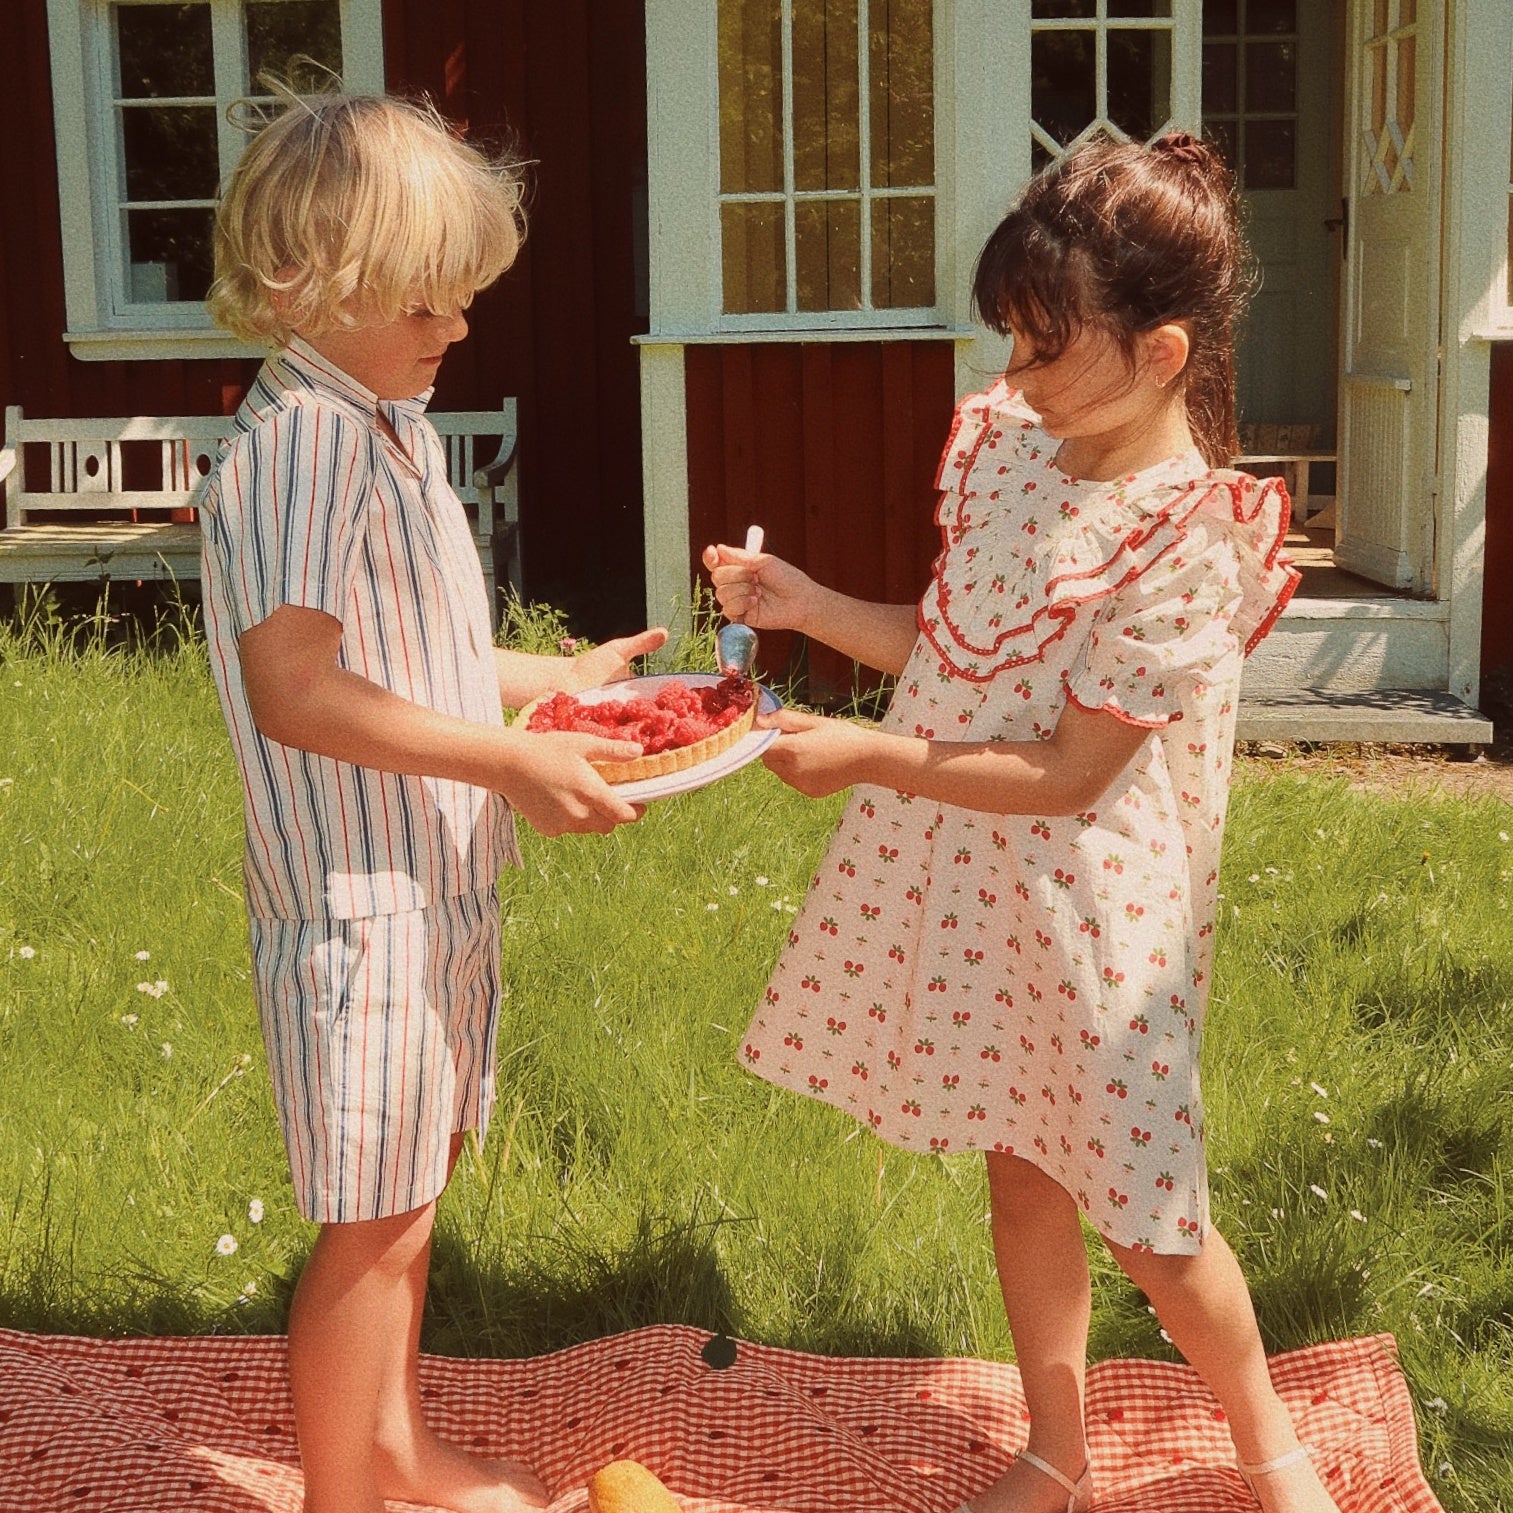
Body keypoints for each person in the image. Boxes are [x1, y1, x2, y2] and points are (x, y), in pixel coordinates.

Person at [704, 133, 1341, 1513]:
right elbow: (952, 657)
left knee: (1153, 1217)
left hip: (1097, 916)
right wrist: (808, 604)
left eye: (1044, 351)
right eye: (1010, 344)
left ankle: (1267, 1441)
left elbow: (1064, 772)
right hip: (980, 891)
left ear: (1161, 353)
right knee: (1021, 1176)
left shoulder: (1180, 533)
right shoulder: (1020, 456)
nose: (1011, 381)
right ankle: (1055, 1445)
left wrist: (871, 755)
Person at [202, 89, 663, 1513]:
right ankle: (347, 1495)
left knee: (414, 1206)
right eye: (426, 297)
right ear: (302, 285)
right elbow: (296, 687)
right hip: (358, 911)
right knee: (370, 1229)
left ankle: (392, 1451)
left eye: (463, 296)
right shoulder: (298, 448)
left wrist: (548, 682)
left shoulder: (380, 422)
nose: (457, 326)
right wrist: (510, 761)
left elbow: (418, 653)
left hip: (432, 889)